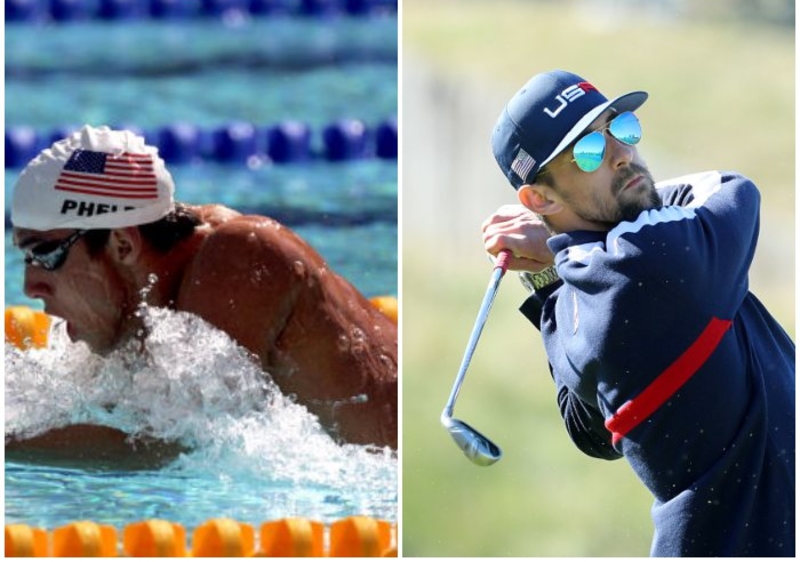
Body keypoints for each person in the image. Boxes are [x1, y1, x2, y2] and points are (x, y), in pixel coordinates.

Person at [482, 70, 794, 556]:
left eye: (620, 128)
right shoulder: (653, 260)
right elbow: (734, 190)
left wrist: (553, 263)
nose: (622, 154)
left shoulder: (572, 303)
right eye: (588, 152)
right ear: (539, 198)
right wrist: (566, 247)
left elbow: (589, 432)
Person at [8, 125, 397, 455]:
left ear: (122, 244)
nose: (31, 286)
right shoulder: (145, 298)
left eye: (45, 255)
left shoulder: (240, 257)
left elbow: (166, 442)